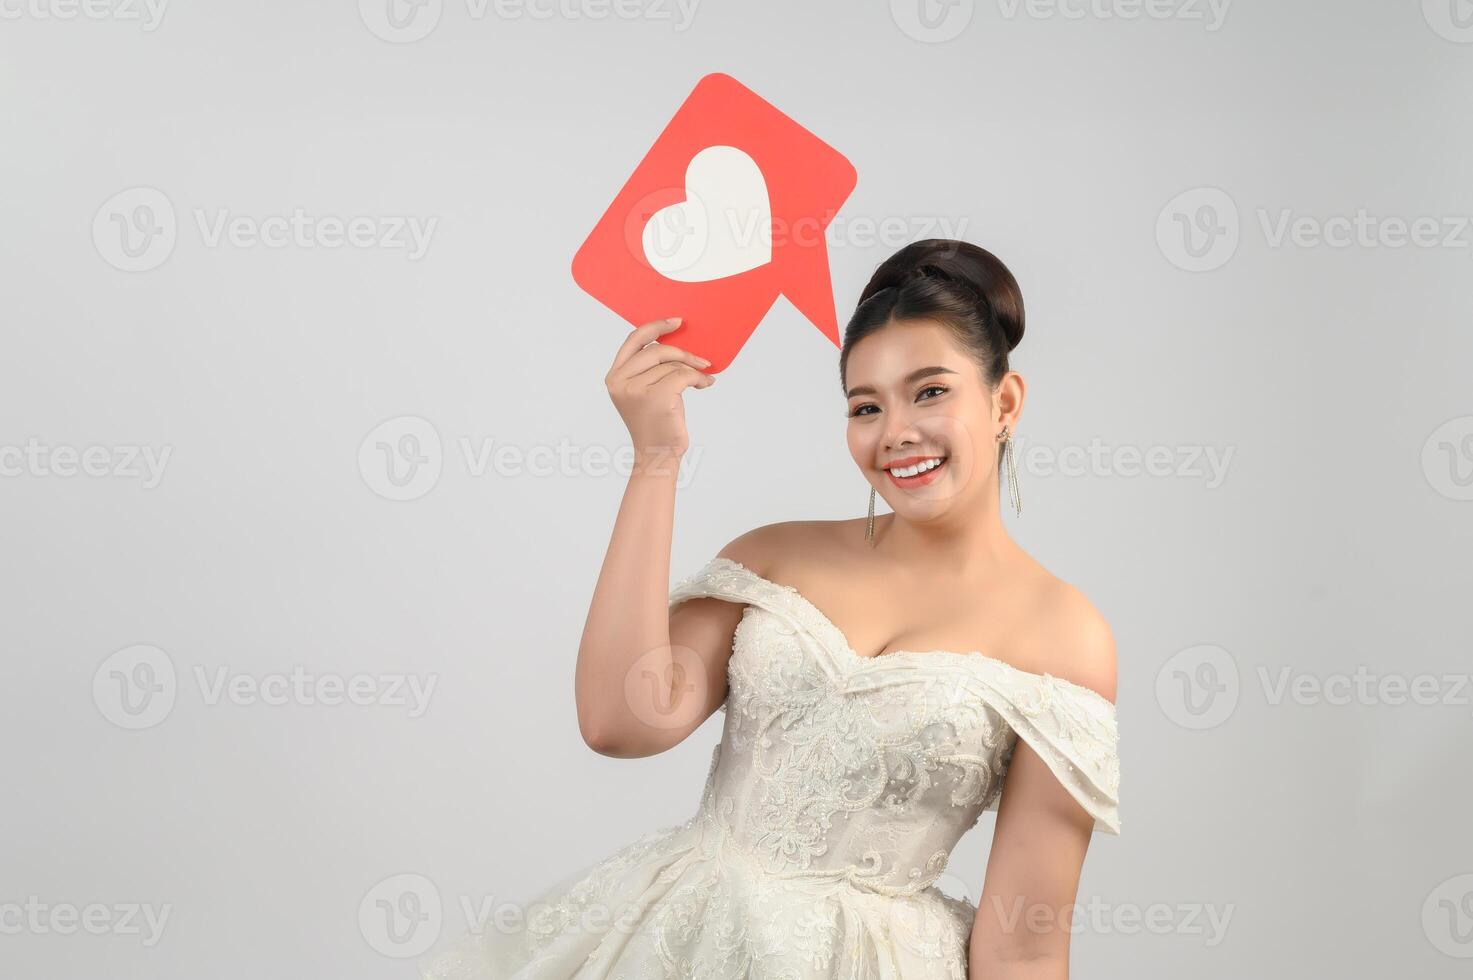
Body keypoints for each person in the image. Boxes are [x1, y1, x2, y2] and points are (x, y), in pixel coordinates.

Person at [421, 239, 1121, 979]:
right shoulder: (776, 556)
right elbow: (619, 721)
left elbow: (1025, 945)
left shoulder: (1064, 635)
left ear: (1003, 402)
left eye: (930, 391)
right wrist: (655, 458)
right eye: (864, 406)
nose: (895, 433)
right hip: (688, 938)